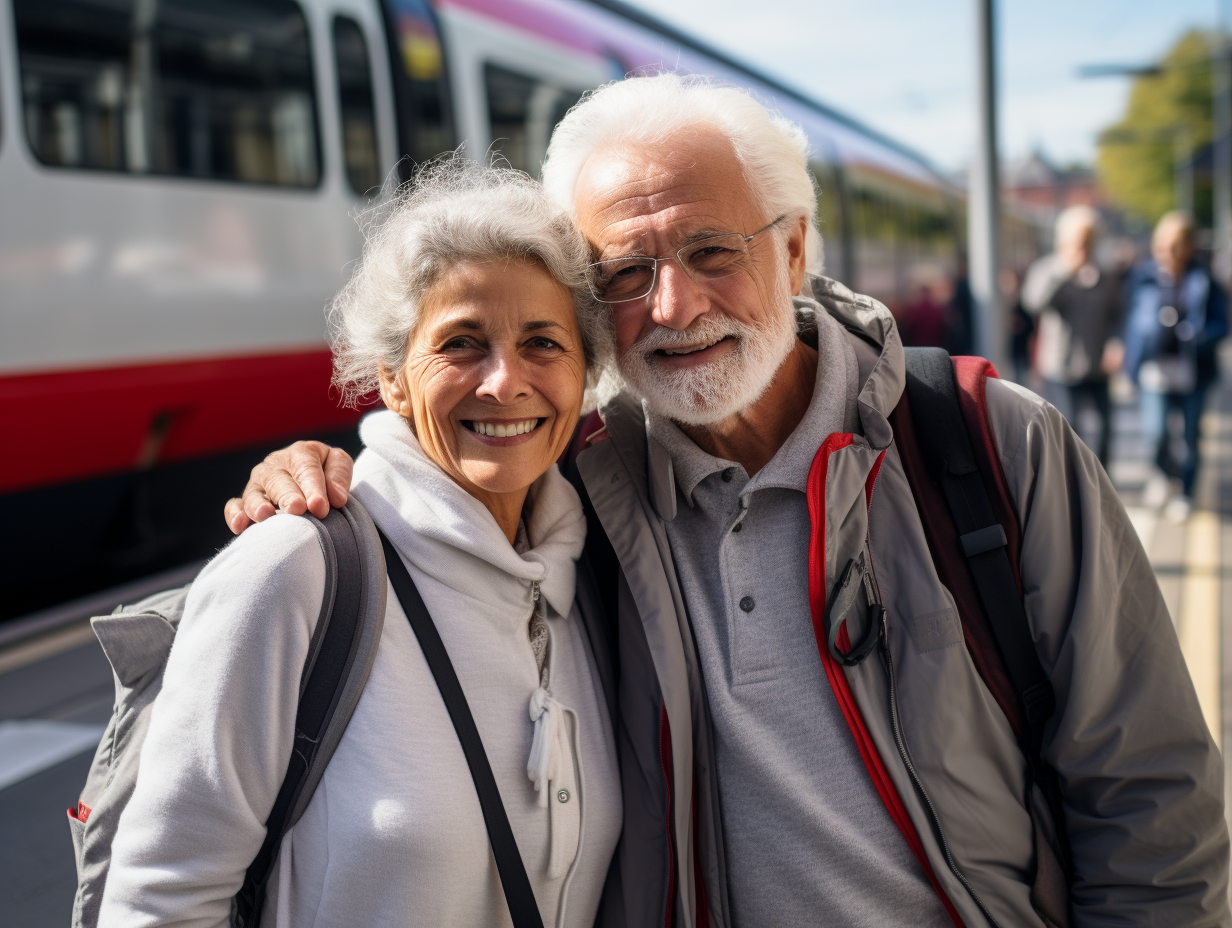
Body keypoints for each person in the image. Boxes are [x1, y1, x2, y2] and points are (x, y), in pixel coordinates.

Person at [227, 76, 1229, 927]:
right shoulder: (574, 486)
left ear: (793, 252)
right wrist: (324, 473)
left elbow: (1148, 796)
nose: (674, 306)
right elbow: (436, 477)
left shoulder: (990, 441)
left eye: (711, 251)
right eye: (625, 273)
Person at [100, 163, 623, 927]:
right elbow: (160, 900)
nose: (505, 381)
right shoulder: (297, 571)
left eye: (543, 342)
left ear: (585, 375)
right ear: (392, 379)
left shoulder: (597, 574)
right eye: (462, 343)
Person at [1124, 210, 1228, 521]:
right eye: (1163, 243)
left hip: (1192, 370)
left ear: (1189, 245)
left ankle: (1186, 490)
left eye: (1176, 243)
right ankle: (1165, 474)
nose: (1168, 250)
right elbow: (1129, 320)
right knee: (1155, 433)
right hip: (1154, 370)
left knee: (1190, 437)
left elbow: (1222, 324)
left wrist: (1197, 336)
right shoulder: (1143, 276)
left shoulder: (1204, 279)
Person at [1021, 206, 1124, 466]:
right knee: (1069, 429)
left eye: (1090, 241)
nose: (1085, 247)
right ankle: (1072, 485)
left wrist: (1116, 345)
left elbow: (1117, 315)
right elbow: (1033, 304)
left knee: (1105, 428)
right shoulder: (1048, 269)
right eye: (1079, 241)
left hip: (1097, 365)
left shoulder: (1106, 274)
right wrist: (1065, 272)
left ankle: (1101, 481)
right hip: (1061, 366)